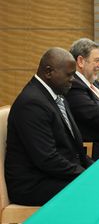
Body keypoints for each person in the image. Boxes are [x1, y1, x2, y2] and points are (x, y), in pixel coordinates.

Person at [5, 48, 92, 206]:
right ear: (49, 72)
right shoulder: (31, 103)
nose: (73, 79)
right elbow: (47, 159)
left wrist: (94, 168)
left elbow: (72, 147)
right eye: (69, 74)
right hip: (34, 184)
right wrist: (86, 175)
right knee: (95, 192)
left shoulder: (58, 96)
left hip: (53, 174)